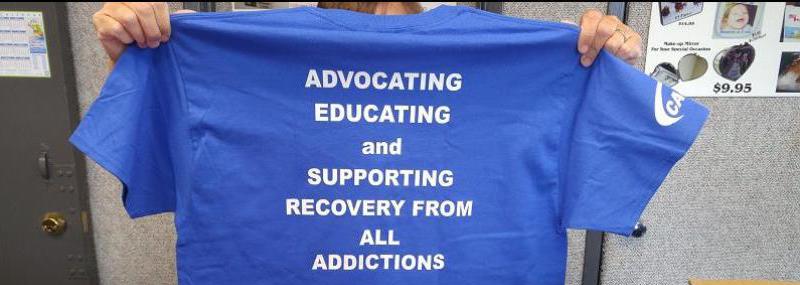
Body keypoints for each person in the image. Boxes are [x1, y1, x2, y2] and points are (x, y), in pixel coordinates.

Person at [91, 2, 643, 68]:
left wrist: (606, 69)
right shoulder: (248, 53)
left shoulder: (508, 62)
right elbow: (165, 150)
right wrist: (136, 55)